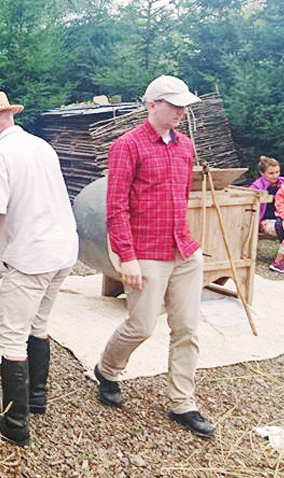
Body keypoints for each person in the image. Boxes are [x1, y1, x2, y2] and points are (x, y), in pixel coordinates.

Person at [95, 75, 214, 438]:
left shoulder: (185, 147)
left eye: (183, 106)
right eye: (173, 105)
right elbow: (115, 207)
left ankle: (183, 402)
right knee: (142, 325)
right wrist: (125, 257)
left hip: (184, 250)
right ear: (152, 105)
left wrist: (189, 240)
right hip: (146, 251)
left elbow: (181, 197)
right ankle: (107, 369)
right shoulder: (126, 146)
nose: (180, 111)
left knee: (187, 328)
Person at [0, 91, 78, 447]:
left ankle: (15, 422)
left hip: (32, 257)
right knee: (39, 324)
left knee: (12, 335)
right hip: (64, 250)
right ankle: (34, 398)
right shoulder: (41, 146)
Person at [249, 156, 284, 243]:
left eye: (277, 172)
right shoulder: (257, 187)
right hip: (265, 220)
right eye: (271, 173)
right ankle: (283, 253)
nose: (275, 176)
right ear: (262, 173)